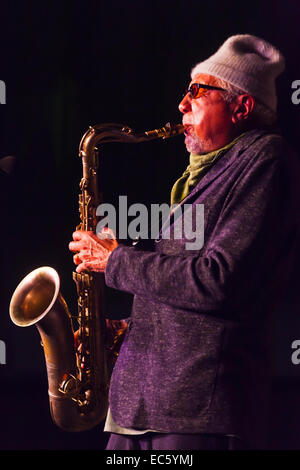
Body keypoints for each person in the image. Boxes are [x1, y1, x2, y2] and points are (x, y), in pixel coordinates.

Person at [69, 35, 300, 450]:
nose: (182, 104)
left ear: (241, 106)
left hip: (195, 414)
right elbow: (184, 294)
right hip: (141, 409)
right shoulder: (210, 173)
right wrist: (125, 331)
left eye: (198, 91)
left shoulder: (265, 160)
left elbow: (218, 281)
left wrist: (117, 261)